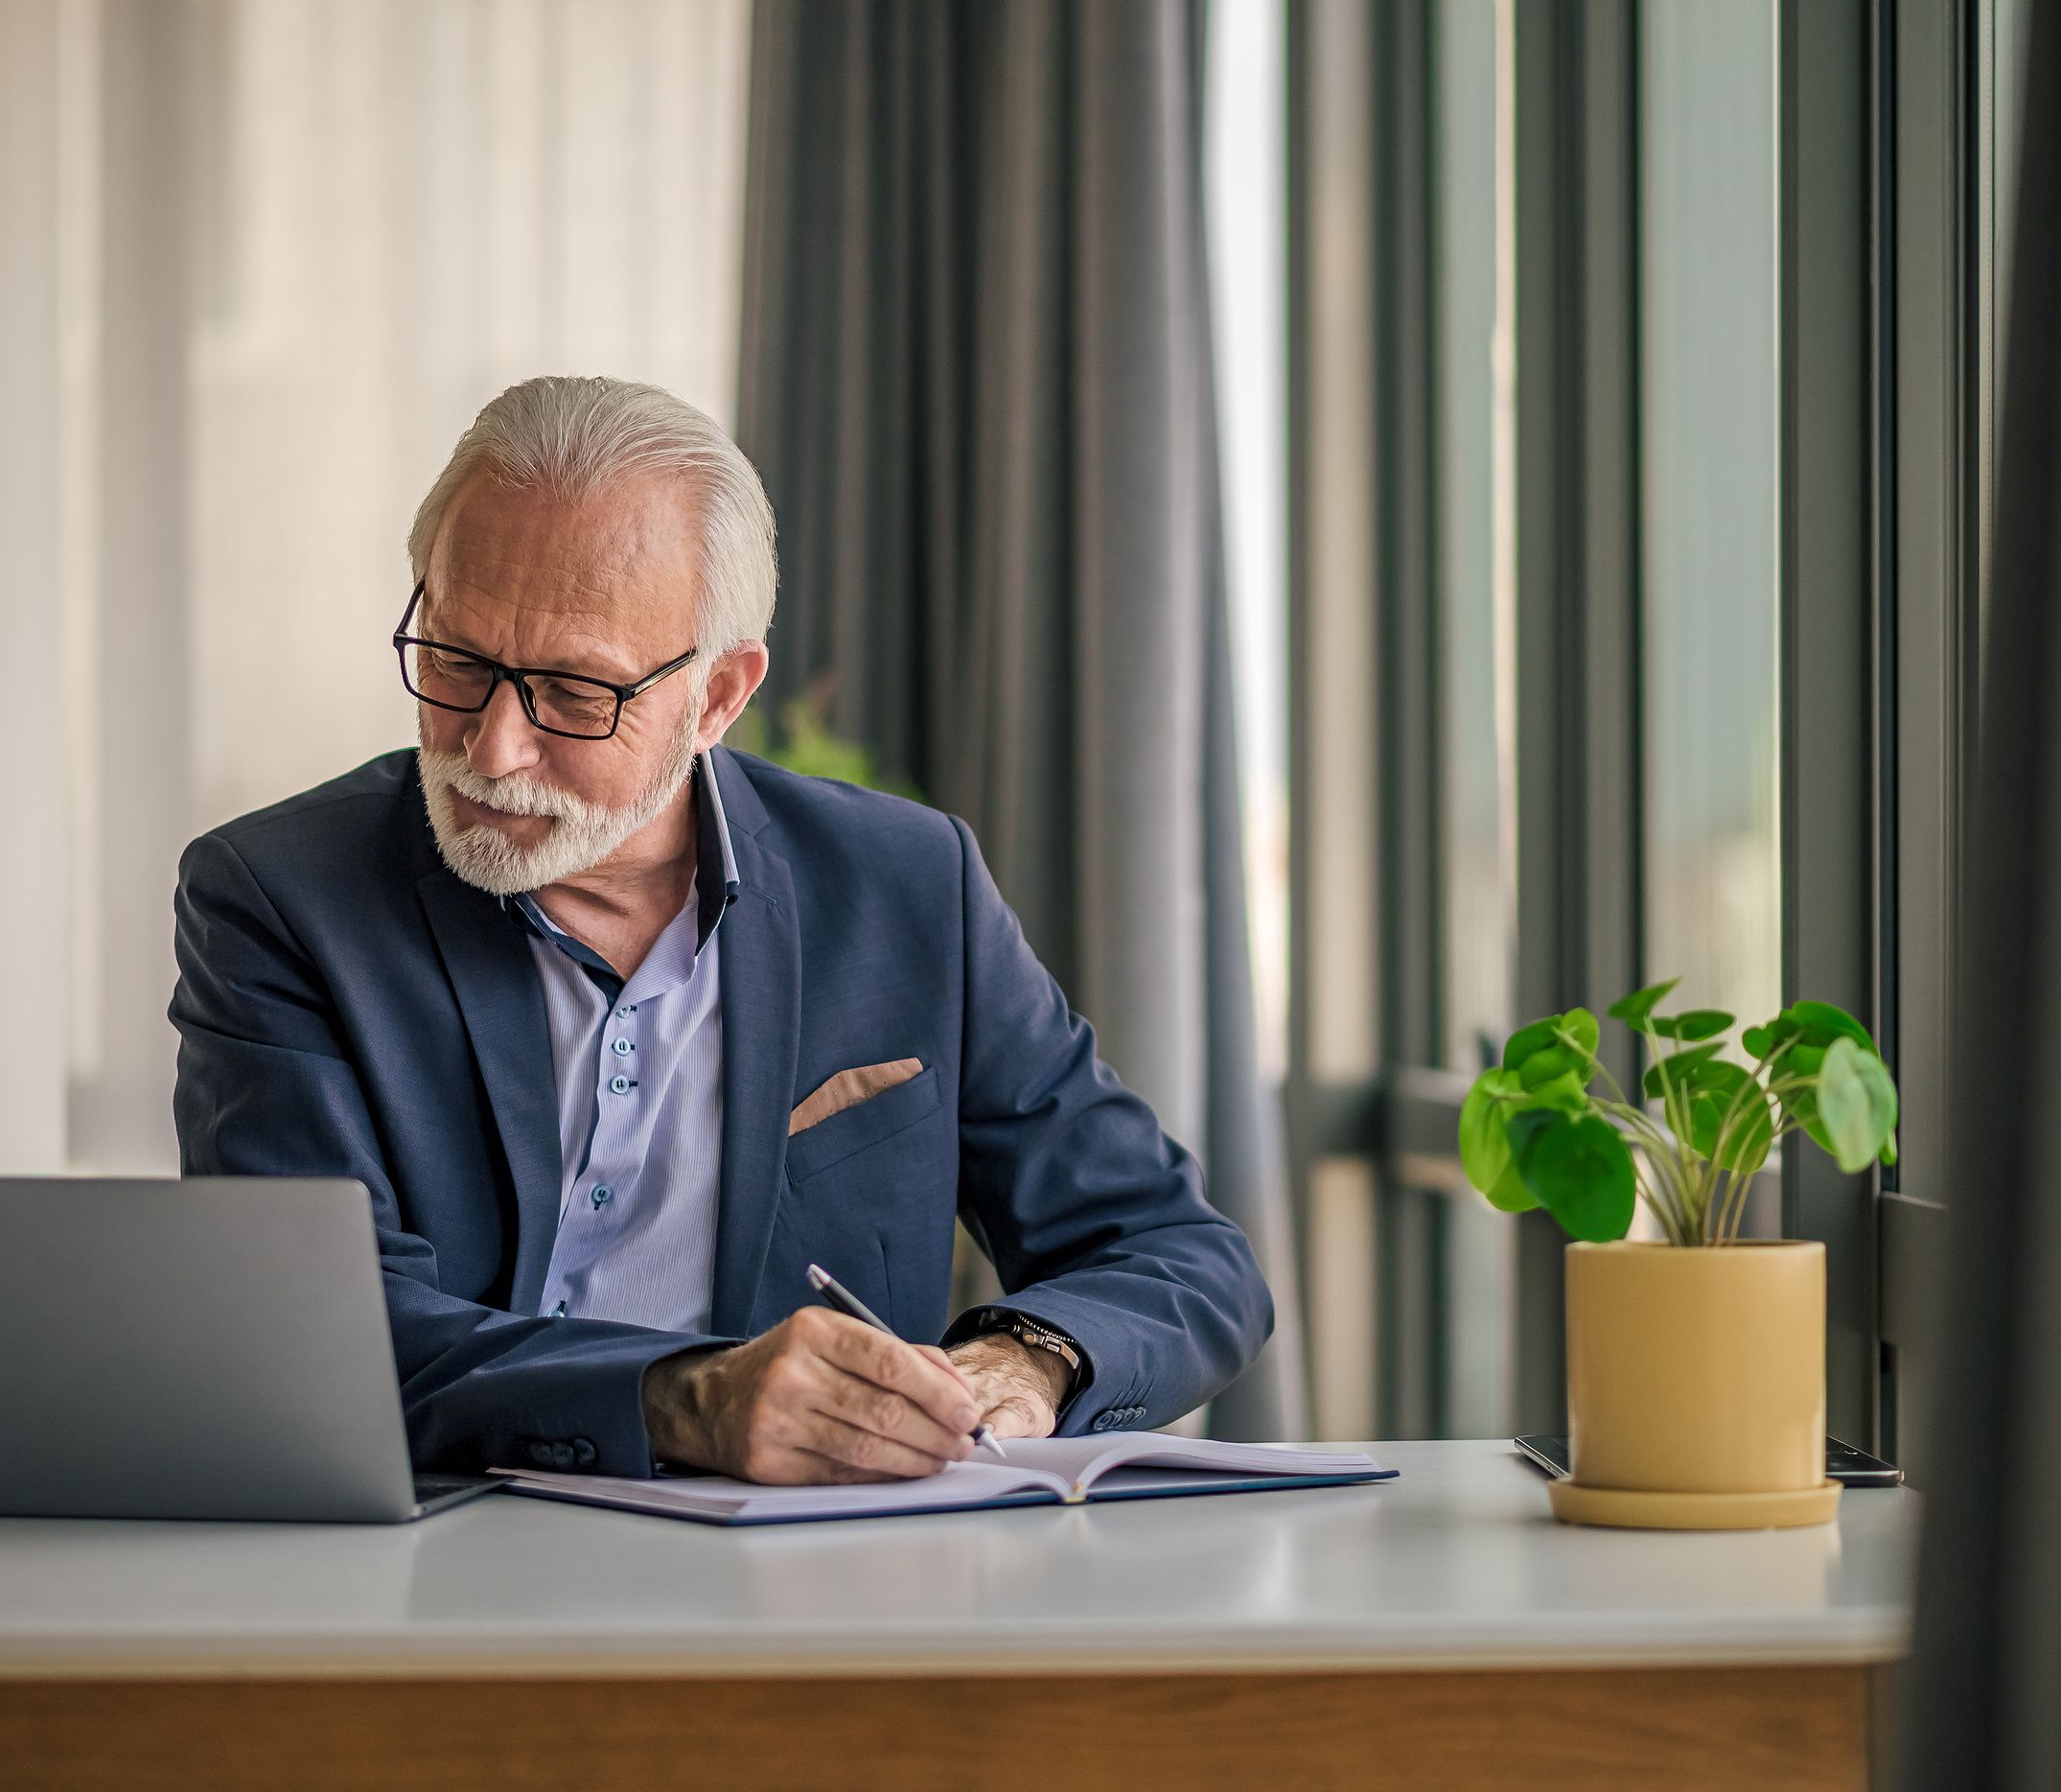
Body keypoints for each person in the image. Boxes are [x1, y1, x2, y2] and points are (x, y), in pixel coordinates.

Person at [171, 375, 1270, 1483]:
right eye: (456, 660)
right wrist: (686, 1403)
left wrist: (1026, 1362)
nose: (491, 748)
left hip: (810, 1594)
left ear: (717, 697)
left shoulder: (905, 886)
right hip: (432, 1570)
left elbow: (1179, 1255)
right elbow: (320, 1338)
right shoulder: (278, 895)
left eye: (571, 691)